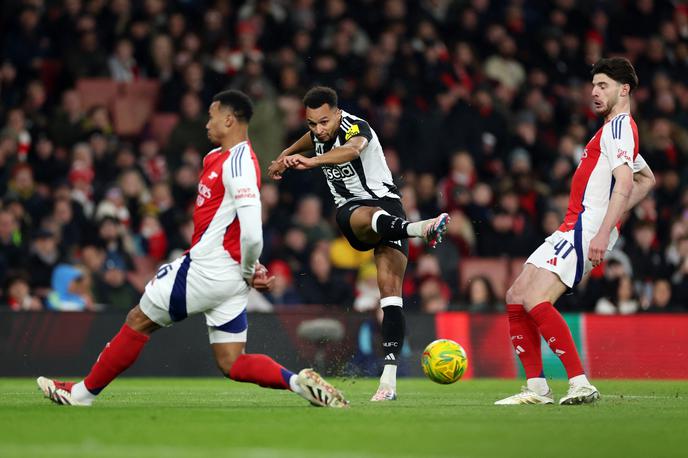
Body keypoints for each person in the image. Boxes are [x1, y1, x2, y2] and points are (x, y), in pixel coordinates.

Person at [37, 90, 348, 408]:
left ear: (229, 119)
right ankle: (299, 382)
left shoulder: (239, 163)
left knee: (138, 319)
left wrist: (249, 266)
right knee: (231, 362)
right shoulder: (215, 157)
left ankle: (81, 395)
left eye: (212, 116)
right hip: (230, 278)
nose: (207, 123)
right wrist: (247, 269)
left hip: (208, 268)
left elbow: (254, 231)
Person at [267, 86, 449, 401]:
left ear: (338, 113)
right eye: (312, 123)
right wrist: (285, 155)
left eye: (324, 122)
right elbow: (312, 140)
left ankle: (388, 385)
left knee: (390, 298)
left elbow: (352, 151)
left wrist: (309, 163)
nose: (318, 129)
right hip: (354, 213)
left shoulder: (357, 126)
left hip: (386, 205)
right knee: (357, 214)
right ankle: (419, 229)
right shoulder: (319, 133)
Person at [496, 57, 655, 406]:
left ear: (623, 89)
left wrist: (602, 230)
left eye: (603, 86)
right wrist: (611, 219)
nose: (594, 92)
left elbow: (626, 182)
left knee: (536, 298)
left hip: (583, 229)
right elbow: (647, 179)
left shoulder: (619, 129)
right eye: (593, 85)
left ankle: (580, 382)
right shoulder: (613, 132)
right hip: (570, 226)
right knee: (516, 294)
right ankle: (537, 388)